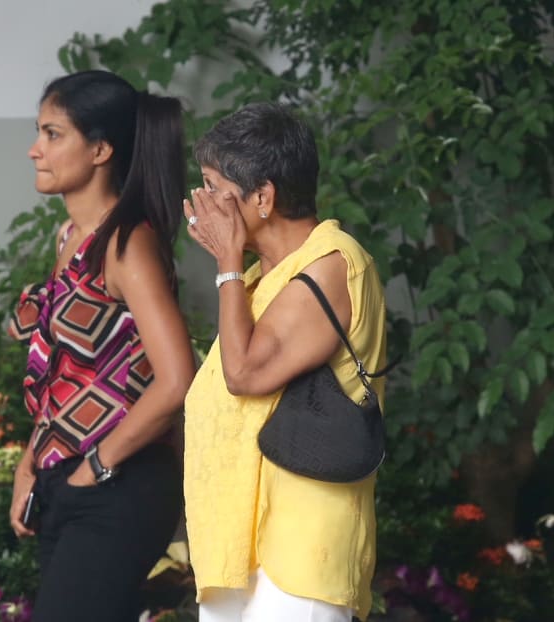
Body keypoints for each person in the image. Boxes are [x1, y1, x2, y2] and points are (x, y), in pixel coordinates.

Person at [182, 103, 387, 622]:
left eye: (213, 186)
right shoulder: (262, 275)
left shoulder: (333, 263)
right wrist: (235, 268)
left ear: (264, 197)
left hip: (299, 555)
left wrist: (227, 263)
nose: (201, 204)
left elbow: (245, 374)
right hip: (242, 553)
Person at [7, 70, 196, 622]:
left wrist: (97, 466)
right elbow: (65, 372)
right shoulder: (69, 239)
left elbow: (178, 379)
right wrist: (28, 466)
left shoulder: (127, 243)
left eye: (52, 134)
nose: (35, 150)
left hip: (121, 486)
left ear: (101, 149)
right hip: (66, 480)